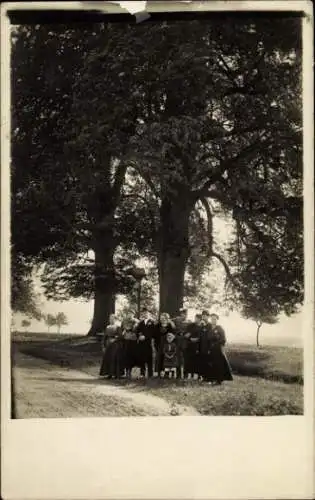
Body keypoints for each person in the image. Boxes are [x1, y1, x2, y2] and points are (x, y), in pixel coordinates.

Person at [207, 313, 233, 385]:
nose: (213, 320)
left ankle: (219, 380)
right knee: (211, 364)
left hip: (217, 349)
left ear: (217, 320)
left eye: (214, 319)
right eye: (212, 319)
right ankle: (212, 379)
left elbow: (223, 339)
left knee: (218, 364)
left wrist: (217, 344)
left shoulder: (219, 328)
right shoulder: (209, 328)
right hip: (210, 349)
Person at [99, 314, 124, 379]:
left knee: (115, 359)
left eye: (113, 319)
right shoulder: (108, 327)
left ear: (115, 319)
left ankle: (116, 374)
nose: (111, 320)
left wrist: (115, 339)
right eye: (110, 319)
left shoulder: (118, 327)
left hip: (116, 345)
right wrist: (103, 346)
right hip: (108, 345)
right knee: (108, 359)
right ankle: (109, 374)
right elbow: (104, 337)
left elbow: (121, 336)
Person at [154, 312, 176, 378]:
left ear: (167, 319)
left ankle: (167, 374)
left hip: (167, 344)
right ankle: (159, 373)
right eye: (161, 318)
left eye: (163, 318)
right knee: (159, 358)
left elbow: (173, 334)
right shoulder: (157, 325)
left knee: (167, 359)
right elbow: (154, 335)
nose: (162, 319)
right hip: (158, 344)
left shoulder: (170, 326)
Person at [135, 308, 155, 378]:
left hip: (148, 343)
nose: (145, 314)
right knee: (142, 358)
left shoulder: (152, 322)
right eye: (143, 313)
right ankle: (142, 373)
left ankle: (150, 374)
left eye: (146, 313)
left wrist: (145, 337)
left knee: (149, 358)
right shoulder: (140, 323)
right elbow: (137, 331)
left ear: (148, 313)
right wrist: (139, 336)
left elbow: (153, 333)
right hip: (141, 343)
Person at [173, 308, 190, 379]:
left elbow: (193, 328)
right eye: (182, 314)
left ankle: (186, 374)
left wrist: (190, 333)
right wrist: (172, 323)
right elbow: (168, 319)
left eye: (185, 314)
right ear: (181, 314)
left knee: (186, 358)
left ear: (187, 314)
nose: (184, 315)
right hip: (178, 340)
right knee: (178, 358)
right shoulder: (177, 319)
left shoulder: (189, 322)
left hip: (185, 342)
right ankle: (178, 374)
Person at [184, 313, 202, 380]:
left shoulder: (202, 327)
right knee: (189, 360)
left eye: (198, 318)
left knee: (197, 361)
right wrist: (190, 338)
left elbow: (202, 337)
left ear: (200, 319)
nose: (196, 320)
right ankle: (189, 374)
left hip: (198, 346)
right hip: (190, 345)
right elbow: (186, 335)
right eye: (195, 318)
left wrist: (198, 339)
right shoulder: (191, 325)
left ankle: (196, 375)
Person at [198, 310, 213, 382]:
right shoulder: (201, 325)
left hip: (208, 347)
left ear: (208, 316)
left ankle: (209, 378)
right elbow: (199, 336)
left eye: (205, 315)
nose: (204, 317)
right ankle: (203, 377)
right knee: (202, 362)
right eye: (203, 315)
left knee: (208, 362)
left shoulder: (210, 325)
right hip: (201, 347)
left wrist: (210, 348)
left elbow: (210, 337)